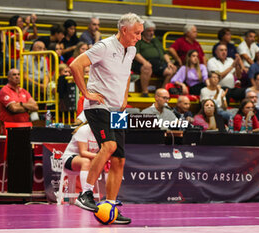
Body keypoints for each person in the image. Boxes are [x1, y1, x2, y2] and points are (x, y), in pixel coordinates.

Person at [70, 13, 144, 224]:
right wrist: (86, 93)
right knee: (109, 145)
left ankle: (110, 207)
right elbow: (76, 65)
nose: (139, 37)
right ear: (124, 30)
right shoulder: (104, 46)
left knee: (119, 158)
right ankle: (85, 194)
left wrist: (125, 97)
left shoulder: (132, 49)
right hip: (98, 105)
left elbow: (127, 73)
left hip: (117, 109)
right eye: (136, 33)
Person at [132, 20, 176, 97]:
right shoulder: (138, 40)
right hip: (141, 63)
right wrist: (144, 62)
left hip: (157, 63)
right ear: (143, 31)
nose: (152, 33)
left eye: (153, 31)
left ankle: (162, 92)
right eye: (149, 31)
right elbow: (136, 54)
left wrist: (169, 62)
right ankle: (145, 92)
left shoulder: (155, 41)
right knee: (147, 67)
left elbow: (164, 53)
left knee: (171, 70)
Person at [61, 121, 99, 202]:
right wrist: (101, 157)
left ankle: (109, 198)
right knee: (86, 161)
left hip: (91, 159)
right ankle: (85, 196)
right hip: (70, 158)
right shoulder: (84, 130)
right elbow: (83, 152)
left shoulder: (103, 132)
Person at [0, 68, 38, 134]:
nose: (17, 76)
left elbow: (35, 107)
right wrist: (27, 107)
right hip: (10, 128)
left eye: (18, 74)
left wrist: (21, 104)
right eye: (14, 75)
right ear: (9, 78)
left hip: (25, 127)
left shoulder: (24, 91)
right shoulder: (5, 90)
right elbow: (14, 109)